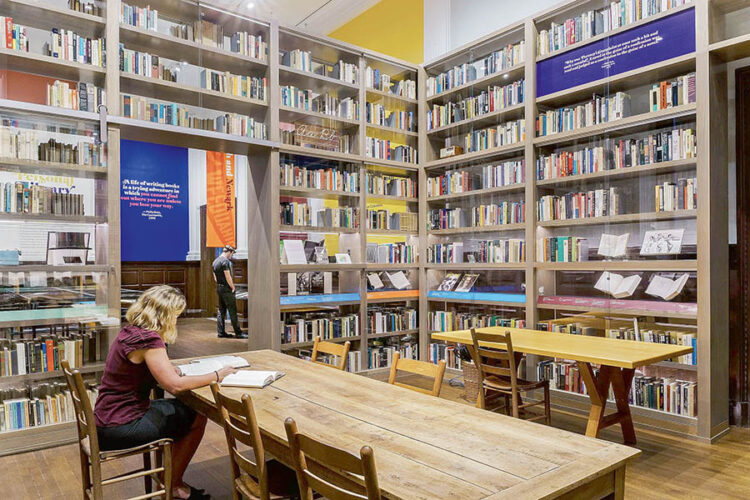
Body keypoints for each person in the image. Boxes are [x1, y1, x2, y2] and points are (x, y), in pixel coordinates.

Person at [94, 285, 238, 500]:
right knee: (197, 416)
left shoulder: (130, 332)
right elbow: (175, 386)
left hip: (106, 418)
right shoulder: (149, 340)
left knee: (181, 412)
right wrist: (217, 375)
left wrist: (171, 369)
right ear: (166, 315)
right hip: (121, 425)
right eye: (176, 315)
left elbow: (147, 370)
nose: (176, 320)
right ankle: (173, 484)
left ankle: (168, 476)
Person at [212, 245, 246, 339]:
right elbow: (228, 276)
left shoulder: (215, 261)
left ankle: (221, 332)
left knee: (221, 310)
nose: (231, 256)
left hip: (219, 288)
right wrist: (233, 287)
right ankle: (238, 333)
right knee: (232, 311)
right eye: (232, 254)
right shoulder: (225, 262)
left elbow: (215, 278)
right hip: (227, 289)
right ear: (229, 252)